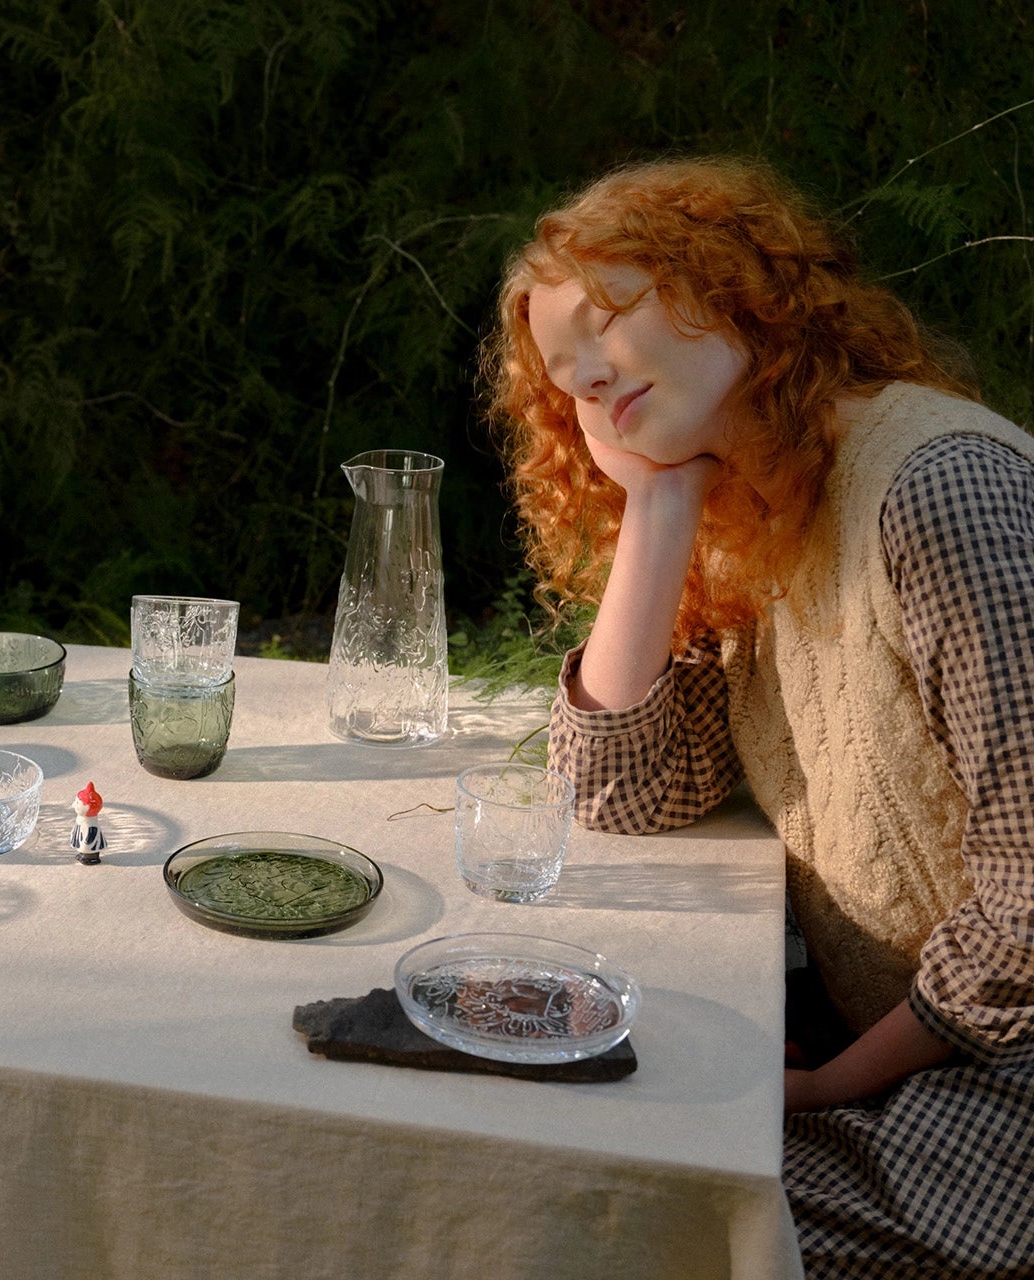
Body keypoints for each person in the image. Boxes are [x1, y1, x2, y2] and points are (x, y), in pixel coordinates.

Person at [486, 156, 1034, 1276]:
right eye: (565, 374)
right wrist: (661, 499)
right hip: (921, 1059)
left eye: (607, 316)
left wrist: (832, 1085)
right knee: (546, 1154)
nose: (588, 376)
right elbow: (624, 790)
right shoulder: (757, 507)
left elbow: (1033, 909)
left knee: (617, 1228)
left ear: (730, 282)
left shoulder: (939, 488)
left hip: (1000, 1098)